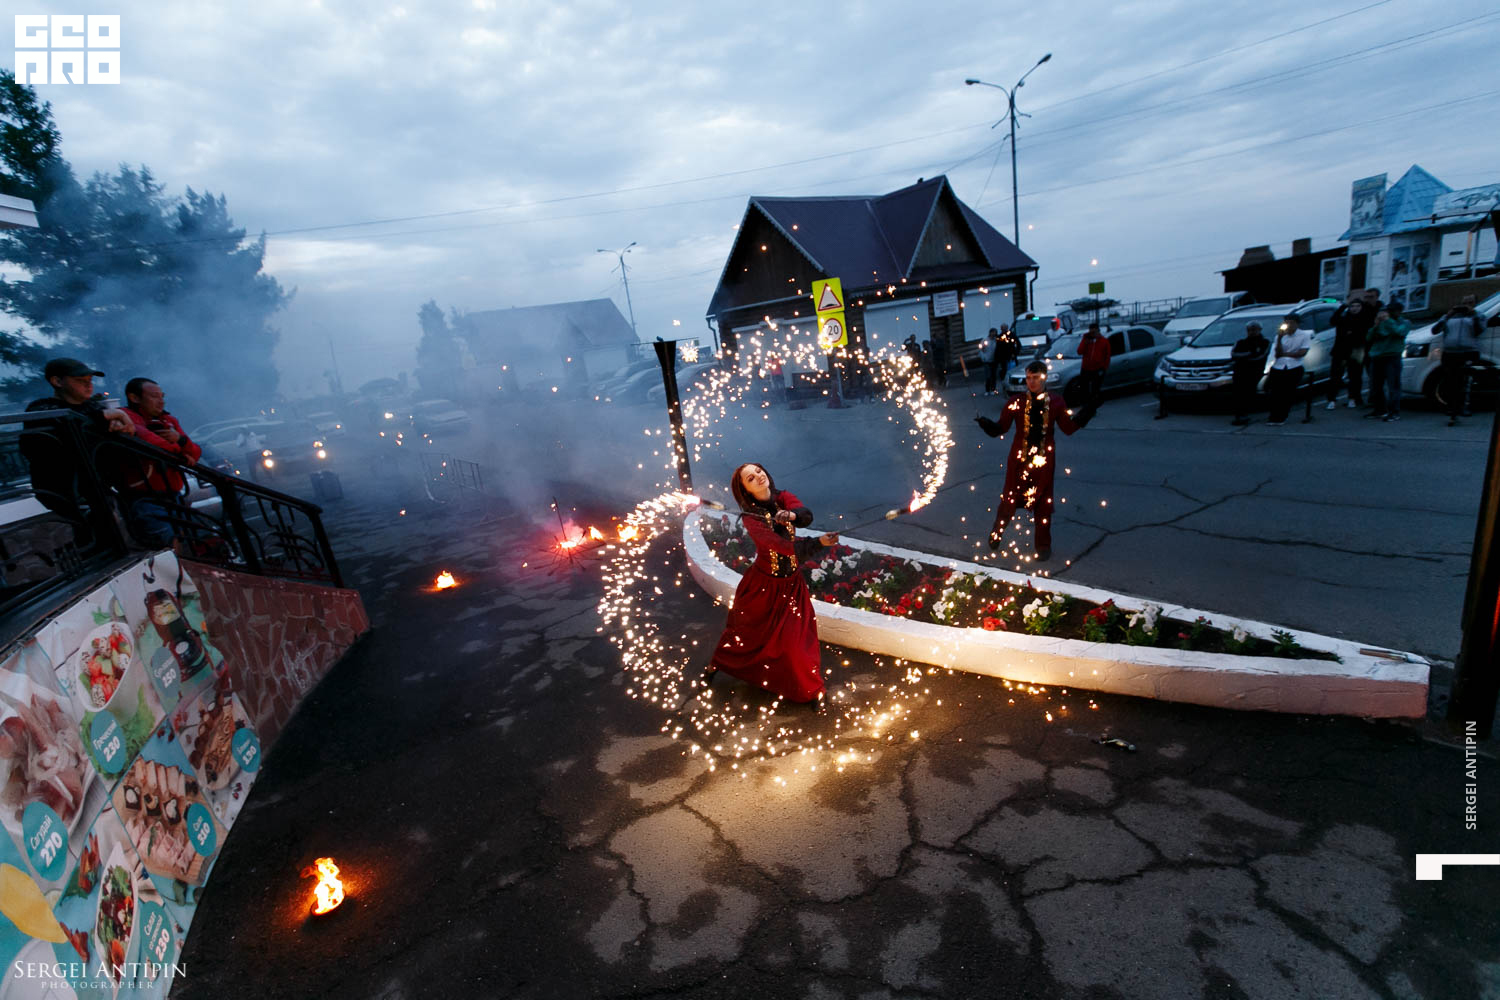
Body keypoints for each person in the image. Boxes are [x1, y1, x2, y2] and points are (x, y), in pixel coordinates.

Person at [706, 463, 839, 705]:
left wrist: (792, 515)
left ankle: (811, 689)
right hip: (763, 587)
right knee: (745, 635)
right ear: (745, 490)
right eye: (750, 478)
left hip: (792, 586)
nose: (758, 477)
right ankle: (718, 664)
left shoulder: (783, 498)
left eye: (758, 471)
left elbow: (805, 515)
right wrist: (819, 543)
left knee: (797, 642)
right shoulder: (751, 519)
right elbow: (783, 547)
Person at [975, 360, 1088, 562]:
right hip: (1019, 461)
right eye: (1028, 378)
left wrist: (1088, 411)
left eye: (1035, 378)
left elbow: (1068, 428)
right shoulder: (1016, 402)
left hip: (1044, 463)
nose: (1031, 382)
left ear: (1044, 378)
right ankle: (997, 533)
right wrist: (986, 424)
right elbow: (1001, 428)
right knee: (1009, 500)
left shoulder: (1056, 402)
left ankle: (1043, 545)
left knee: (1043, 504)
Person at [20, 358, 136, 524]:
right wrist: (104, 417)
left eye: (90, 380)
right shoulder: (41, 409)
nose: (89, 385)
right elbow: (66, 426)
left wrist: (117, 421)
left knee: (110, 526)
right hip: (66, 489)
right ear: (57, 381)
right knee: (96, 528)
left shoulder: (91, 407)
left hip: (99, 485)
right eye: (80, 381)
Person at [118, 377, 203, 548]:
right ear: (134, 398)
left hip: (174, 495)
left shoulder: (169, 421)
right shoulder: (126, 419)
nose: (161, 401)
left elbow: (195, 453)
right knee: (167, 545)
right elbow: (154, 444)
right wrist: (180, 449)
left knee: (197, 539)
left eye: (162, 396)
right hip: (144, 498)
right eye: (154, 396)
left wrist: (180, 440)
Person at [1433, 295, 1482, 425]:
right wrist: (1447, 316)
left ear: (1475, 304)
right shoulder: (1451, 316)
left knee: (1464, 382)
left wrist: (1473, 315)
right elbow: (1435, 330)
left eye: (1470, 303)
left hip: (1468, 352)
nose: (1467, 305)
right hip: (1450, 353)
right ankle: (1451, 408)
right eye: (1465, 303)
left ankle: (1463, 407)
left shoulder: (1478, 315)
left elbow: (1479, 330)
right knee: (1450, 381)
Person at [1326, 289, 1377, 409]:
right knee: (1336, 376)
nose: (1355, 308)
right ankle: (1332, 399)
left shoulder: (1364, 318)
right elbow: (1333, 320)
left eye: (1358, 306)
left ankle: (1352, 398)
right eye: (1352, 306)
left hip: (1356, 350)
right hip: (1340, 350)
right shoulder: (1344, 318)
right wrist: (1344, 306)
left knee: (1355, 375)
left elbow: (1371, 315)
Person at [1366, 300, 1411, 422]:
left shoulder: (1405, 323)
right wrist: (1376, 325)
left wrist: (1388, 321)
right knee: (1375, 386)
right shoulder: (1383, 323)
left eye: (1391, 311)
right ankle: (1379, 409)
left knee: (1393, 386)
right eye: (1388, 311)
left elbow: (1399, 332)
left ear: (1399, 312)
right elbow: (1369, 337)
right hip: (1377, 357)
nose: (1389, 313)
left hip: (1392, 357)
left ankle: (1394, 412)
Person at [1264, 314, 1310, 426]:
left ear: (1297, 324)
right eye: (1287, 323)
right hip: (1279, 366)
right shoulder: (1279, 336)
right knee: (1275, 393)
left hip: (1294, 366)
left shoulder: (1304, 335)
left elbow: (1302, 353)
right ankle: (1273, 416)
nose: (1289, 325)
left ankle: (1282, 416)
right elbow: (1277, 353)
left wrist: (1286, 354)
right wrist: (1280, 338)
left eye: (1292, 323)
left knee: (1287, 393)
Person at [1229, 322, 1271, 426]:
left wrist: (1244, 357)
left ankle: (1245, 414)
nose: (1252, 332)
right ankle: (1239, 415)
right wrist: (1249, 354)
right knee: (1238, 394)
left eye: (1254, 329)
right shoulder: (1241, 342)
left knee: (1248, 393)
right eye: (1249, 330)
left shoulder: (1265, 342)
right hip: (1239, 372)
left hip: (1254, 372)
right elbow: (1233, 354)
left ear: (1260, 330)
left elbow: (1260, 356)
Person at [1076, 322, 1111, 417]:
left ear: (1098, 331)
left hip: (1097, 369)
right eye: (1091, 332)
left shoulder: (1104, 341)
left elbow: (1107, 356)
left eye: (1094, 332)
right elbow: (1079, 351)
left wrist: (1104, 368)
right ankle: (1085, 407)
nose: (1093, 334)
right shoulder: (1087, 340)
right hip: (1086, 368)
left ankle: (1092, 409)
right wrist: (1085, 341)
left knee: (1095, 390)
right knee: (1084, 389)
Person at [979, 328, 1000, 395]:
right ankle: (987, 390)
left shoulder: (996, 340)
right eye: (993, 332)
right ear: (990, 333)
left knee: (993, 376)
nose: (994, 334)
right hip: (987, 360)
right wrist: (983, 357)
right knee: (988, 376)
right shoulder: (985, 340)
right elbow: (981, 349)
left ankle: (993, 389)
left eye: (995, 333)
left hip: (994, 360)